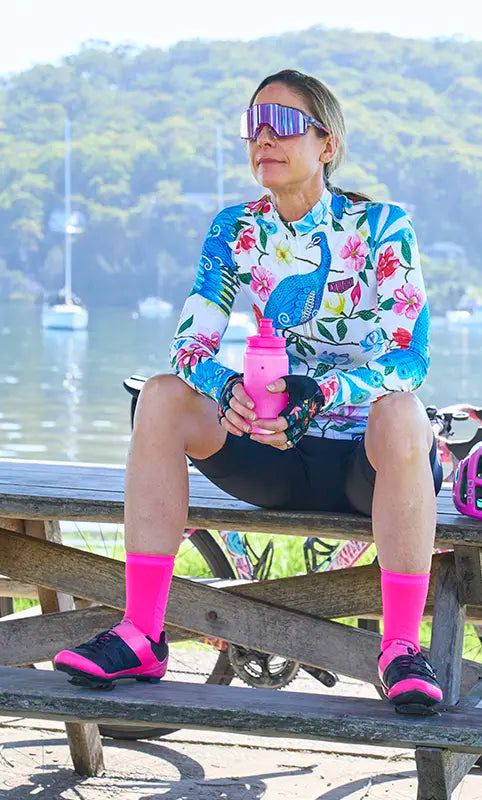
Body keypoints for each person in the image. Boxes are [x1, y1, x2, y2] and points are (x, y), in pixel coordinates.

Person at [54, 69, 444, 710]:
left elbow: (410, 356)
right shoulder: (235, 230)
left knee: (403, 412)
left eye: (284, 122)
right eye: (252, 124)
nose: (263, 135)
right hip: (274, 450)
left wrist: (323, 392)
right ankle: (141, 633)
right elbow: (189, 344)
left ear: (327, 143)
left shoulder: (381, 227)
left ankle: (401, 648)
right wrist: (227, 385)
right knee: (159, 396)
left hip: (365, 463)